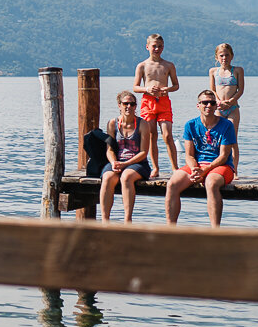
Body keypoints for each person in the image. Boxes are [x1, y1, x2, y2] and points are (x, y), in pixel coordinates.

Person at [165, 90, 237, 227]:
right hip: (197, 165)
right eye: (205, 102)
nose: (208, 105)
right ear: (198, 105)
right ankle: (170, 229)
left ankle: (214, 230)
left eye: (212, 102)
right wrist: (194, 169)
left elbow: (224, 156)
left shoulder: (226, 125)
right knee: (172, 184)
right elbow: (189, 155)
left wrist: (205, 171)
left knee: (211, 183)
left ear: (216, 106)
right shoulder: (190, 125)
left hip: (221, 166)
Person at [100, 90, 151, 222]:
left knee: (126, 176)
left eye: (132, 104)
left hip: (138, 163)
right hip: (118, 161)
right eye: (125, 104)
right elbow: (110, 149)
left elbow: (144, 152)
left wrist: (125, 164)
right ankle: (105, 220)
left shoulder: (143, 124)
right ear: (119, 105)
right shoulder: (112, 123)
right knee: (107, 177)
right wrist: (114, 163)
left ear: (136, 106)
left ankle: (127, 220)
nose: (129, 107)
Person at [133, 33, 179, 176]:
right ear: (147, 47)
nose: (157, 49)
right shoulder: (142, 65)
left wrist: (168, 89)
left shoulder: (169, 65)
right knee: (152, 135)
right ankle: (156, 168)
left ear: (163, 47)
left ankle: (175, 168)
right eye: (154, 46)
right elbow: (135, 87)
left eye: (159, 46)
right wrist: (147, 88)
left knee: (167, 135)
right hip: (148, 101)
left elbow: (176, 85)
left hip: (163, 101)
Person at [208, 42, 245, 171]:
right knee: (217, 139)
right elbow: (212, 89)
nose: (224, 58)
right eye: (222, 55)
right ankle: (219, 167)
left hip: (232, 109)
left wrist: (230, 101)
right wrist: (218, 101)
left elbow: (240, 89)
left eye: (227, 55)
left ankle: (234, 170)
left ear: (232, 56)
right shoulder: (213, 71)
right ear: (217, 57)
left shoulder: (238, 70)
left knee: (233, 139)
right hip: (218, 109)